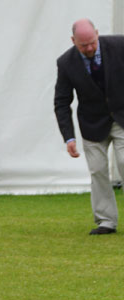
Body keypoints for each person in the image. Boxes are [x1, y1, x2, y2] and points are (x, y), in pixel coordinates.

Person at [54, 19, 124, 235]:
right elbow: (62, 101)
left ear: (97, 33)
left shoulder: (120, 46)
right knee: (97, 170)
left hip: (122, 118)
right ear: (73, 41)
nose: (90, 48)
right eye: (83, 45)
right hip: (92, 124)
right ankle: (106, 221)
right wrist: (69, 138)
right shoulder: (65, 62)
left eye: (92, 43)